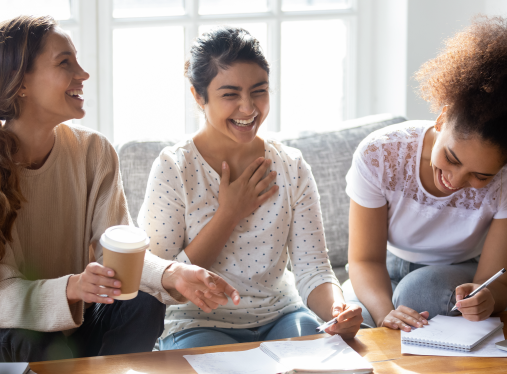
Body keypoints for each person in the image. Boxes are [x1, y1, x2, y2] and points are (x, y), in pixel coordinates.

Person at [0, 15, 239, 363]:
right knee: (26, 341)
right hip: (2, 338)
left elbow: (115, 255)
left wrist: (172, 273)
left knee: (144, 302)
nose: (83, 74)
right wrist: (73, 287)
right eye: (64, 63)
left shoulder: (93, 152)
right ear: (20, 83)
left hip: (72, 334)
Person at [342, 16, 507, 331]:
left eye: (481, 177)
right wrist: (382, 313)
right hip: (385, 267)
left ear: (506, 164)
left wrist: (484, 298)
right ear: (442, 119)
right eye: (452, 158)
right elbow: (364, 261)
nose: (455, 182)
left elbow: (497, 285)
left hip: (453, 274)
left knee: (420, 293)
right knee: (348, 314)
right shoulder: (381, 154)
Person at [139, 27, 363, 350]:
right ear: (198, 96)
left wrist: (337, 309)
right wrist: (228, 214)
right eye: (230, 94)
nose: (248, 108)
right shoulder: (174, 168)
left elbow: (314, 269)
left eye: (259, 91)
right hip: (197, 324)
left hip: (284, 316)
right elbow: (160, 282)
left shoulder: (291, 166)